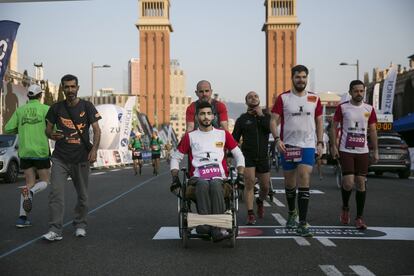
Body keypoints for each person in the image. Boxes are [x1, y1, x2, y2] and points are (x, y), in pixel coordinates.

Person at [170, 101, 245, 242]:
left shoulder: (223, 134)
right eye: (202, 114)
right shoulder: (190, 136)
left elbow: (239, 155)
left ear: (213, 116)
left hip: (219, 177)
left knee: (216, 184)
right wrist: (175, 177)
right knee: (204, 184)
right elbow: (175, 157)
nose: (206, 117)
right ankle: (205, 225)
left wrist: (240, 175)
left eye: (209, 114)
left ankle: (216, 227)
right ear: (197, 117)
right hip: (198, 177)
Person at [42, 74, 101, 241]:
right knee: (56, 194)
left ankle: (80, 224)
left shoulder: (87, 106)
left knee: (83, 196)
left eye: (73, 87)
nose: (70, 90)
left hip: (81, 158)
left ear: (78, 88)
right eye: (66, 87)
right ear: (62, 89)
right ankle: (55, 230)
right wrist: (51, 135)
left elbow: (97, 130)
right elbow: (47, 130)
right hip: (60, 158)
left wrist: (94, 150)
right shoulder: (56, 108)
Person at [270, 65, 323, 237]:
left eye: (304, 77)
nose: (301, 80)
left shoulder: (315, 98)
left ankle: (303, 222)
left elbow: (320, 121)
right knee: (289, 184)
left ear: (307, 78)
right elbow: (273, 121)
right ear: (292, 78)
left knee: (304, 177)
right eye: (298, 77)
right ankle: (292, 212)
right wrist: (277, 139)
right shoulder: (283, 98)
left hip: (307, 144)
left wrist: (320, 142)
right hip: (288, 145)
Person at [330, 80, 378, 230]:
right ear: (350, 92)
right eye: (356, 91)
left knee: (361, 183)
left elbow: (373, 130)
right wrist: (333, 146)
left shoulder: (369, 108)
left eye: (361, 91)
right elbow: (333, 127)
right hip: (346, 149)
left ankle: (359, 218)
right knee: (348, 183)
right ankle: (345, 207)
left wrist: (375, 150)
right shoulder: (343, 108)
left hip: (362, 151)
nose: (359, 94)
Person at [5, 84, 51, 228]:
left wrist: (21, 128)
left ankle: (22, 219)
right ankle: (31, 192)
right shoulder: (46, 109)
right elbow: (54, 129)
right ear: (40, 95)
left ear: (28, 96)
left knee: (29, 182)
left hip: (25, 152)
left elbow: (8, 128)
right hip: (41, 151)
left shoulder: (20, 110)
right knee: (45, 181)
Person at [232, 91, 271, 225]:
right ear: (246, 102)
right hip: (247, 156)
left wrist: (261, 115)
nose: (253, 98)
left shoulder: (266, 116)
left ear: (259, 100)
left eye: (255, 96)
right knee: (249, 185)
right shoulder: (242, 119)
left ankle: (260, 201)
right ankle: (250, 213)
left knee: (265, 187)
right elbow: (234, 140)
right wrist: (231, 155)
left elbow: (269, 129)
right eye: (250, 97)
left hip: (263, 157)